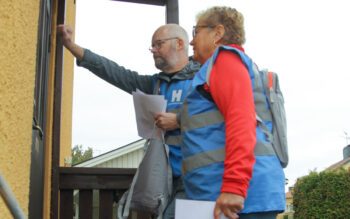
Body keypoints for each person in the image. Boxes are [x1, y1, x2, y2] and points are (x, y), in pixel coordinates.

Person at [57, 23, 200, 219]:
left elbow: (227, 116)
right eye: (152, 46)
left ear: (180, 43)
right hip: (164, 182)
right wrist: (71, 47)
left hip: (197, 179)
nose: (153, 51)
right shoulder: (155, 84)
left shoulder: (205, 77)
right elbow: (115, 72)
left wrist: (179, 120)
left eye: (158, 44)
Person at [155, 6, 285, 219]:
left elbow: (241, 121)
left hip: (240, 199)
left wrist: (234, 186)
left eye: (196, 32)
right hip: (221, 197)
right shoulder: (212, 69)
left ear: (218, 33)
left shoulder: (225, 60)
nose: (191, 41)